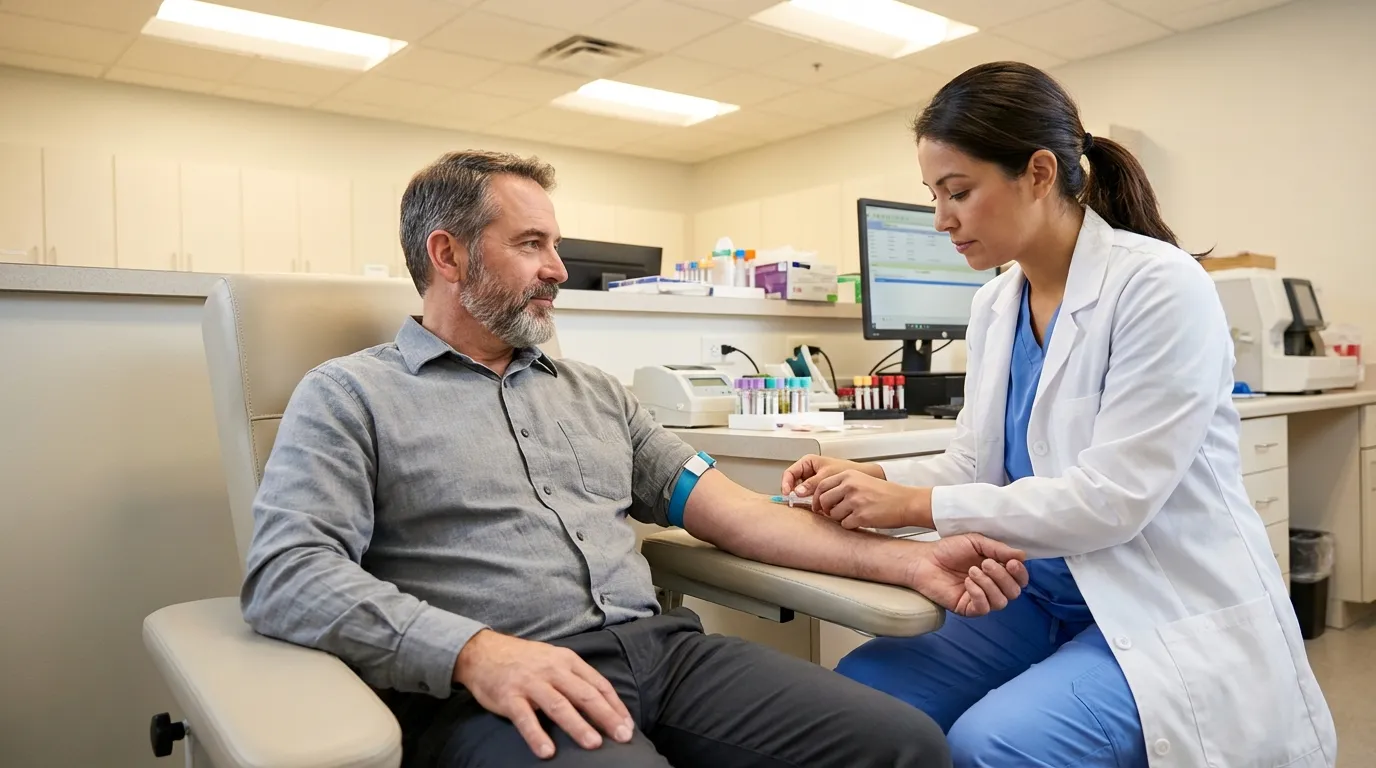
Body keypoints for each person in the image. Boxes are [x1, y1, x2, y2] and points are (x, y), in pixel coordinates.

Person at [241, 149, 1033, 768]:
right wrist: (474, 654)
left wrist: (908, 564)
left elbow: (738, 515)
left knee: (903, 747)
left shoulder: (596, 394)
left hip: (663, 654)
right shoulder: (349, 396)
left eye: (554, 243)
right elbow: (288, 574)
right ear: (446, 256)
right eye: (530, 244)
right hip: (501, 692)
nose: (557, 267)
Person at [781, 62, 1336, 768]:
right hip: (1036, 591)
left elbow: (1112, 501)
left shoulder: (1160, 286)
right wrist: (868, 477)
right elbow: (975, 463)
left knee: (990, 747)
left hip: (1154, 603)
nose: (941, 219)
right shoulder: (995, 304)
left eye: (959, 192)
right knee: (861, 702)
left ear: (1039, 173)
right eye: (934, 195)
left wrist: (907, 503)